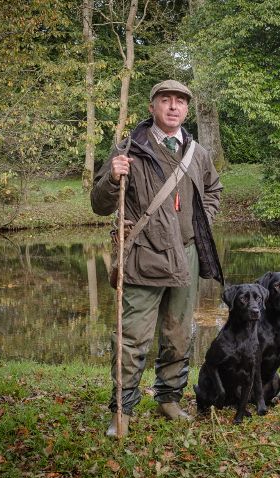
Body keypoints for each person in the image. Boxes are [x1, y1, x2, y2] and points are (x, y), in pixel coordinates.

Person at [91, 79, 223, 437]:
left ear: (186, 109)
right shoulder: (128, 149)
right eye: (166, 100)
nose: (173, 107)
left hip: (187, 253)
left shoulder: (198, 152)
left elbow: (213, 189)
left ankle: (169, 398)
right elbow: (99, 204)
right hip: (143, 253)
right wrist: (112, 179)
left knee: (179, 333)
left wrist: (202, 221)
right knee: (133, 338)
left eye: (180, 102)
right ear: (152, 107)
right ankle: (122, 410)